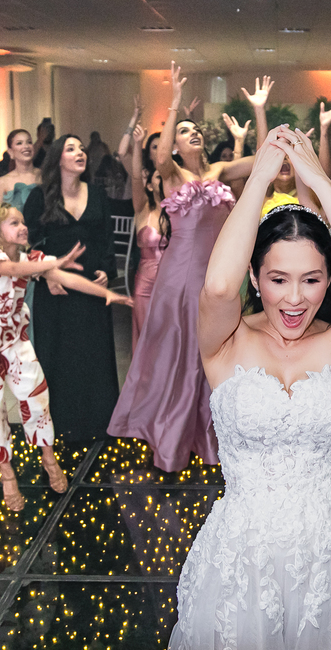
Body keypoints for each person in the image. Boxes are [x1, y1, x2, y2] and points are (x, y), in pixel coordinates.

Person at [170, 124, 331, 650]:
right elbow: (217, 286)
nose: (293, 299)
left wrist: (318, 179)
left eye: (311, 279)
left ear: (330, 278)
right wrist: (258, 179)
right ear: (254, 277)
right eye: (277, 279)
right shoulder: (226, 342)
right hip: (242, 562)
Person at [109, 64, 258, 472]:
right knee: (185, 352)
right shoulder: (171, 174)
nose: (193, 134)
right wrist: (174, 101)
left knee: (215, 350)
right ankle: (175, 435)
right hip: (181, 275)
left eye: (195, 130)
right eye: (184, 132)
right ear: (174, 145)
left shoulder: (219, 171)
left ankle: (209, 432)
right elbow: (158, 157)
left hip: (219, 274)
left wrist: (259, 112)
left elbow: (262, 161)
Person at [0, 202, 131, 511]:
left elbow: (67, 278)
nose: (23, 227)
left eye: (23, 222)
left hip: (14, 341)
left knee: (37, 399)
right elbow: (13, 270)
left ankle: (48, 457)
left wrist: (106, 293)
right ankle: (7, 473)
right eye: (13, 223)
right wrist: (54, 263)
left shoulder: (32, 260)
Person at [23, 135, 121, 442]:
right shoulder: (40, 196)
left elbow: (106, 238)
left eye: (81, 149)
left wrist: (106, 269)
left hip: (91, 286)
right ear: (57, 159)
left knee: (94, 353)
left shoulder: (97, 193)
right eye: (71, 149)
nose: (80, 153)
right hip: (55, 288)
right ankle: (59, 422)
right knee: (58, 354)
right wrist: (46, 273)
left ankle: (99, 423)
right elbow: (28, 242)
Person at [126, 125, 166, 349]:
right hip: (146, 286)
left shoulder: (180, 213)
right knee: (147, 343)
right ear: (149, 185)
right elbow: (135, 178)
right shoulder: (143, 210)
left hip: (173, 284)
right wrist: (138, 145)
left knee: (171, 342)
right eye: (159, 177)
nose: (164, 181)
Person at [0, 129, 43, 209]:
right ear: (11, 152)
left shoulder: (45, 176)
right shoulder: (2, 182)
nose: (26, 146)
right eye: (19, 143)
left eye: (29, 142)